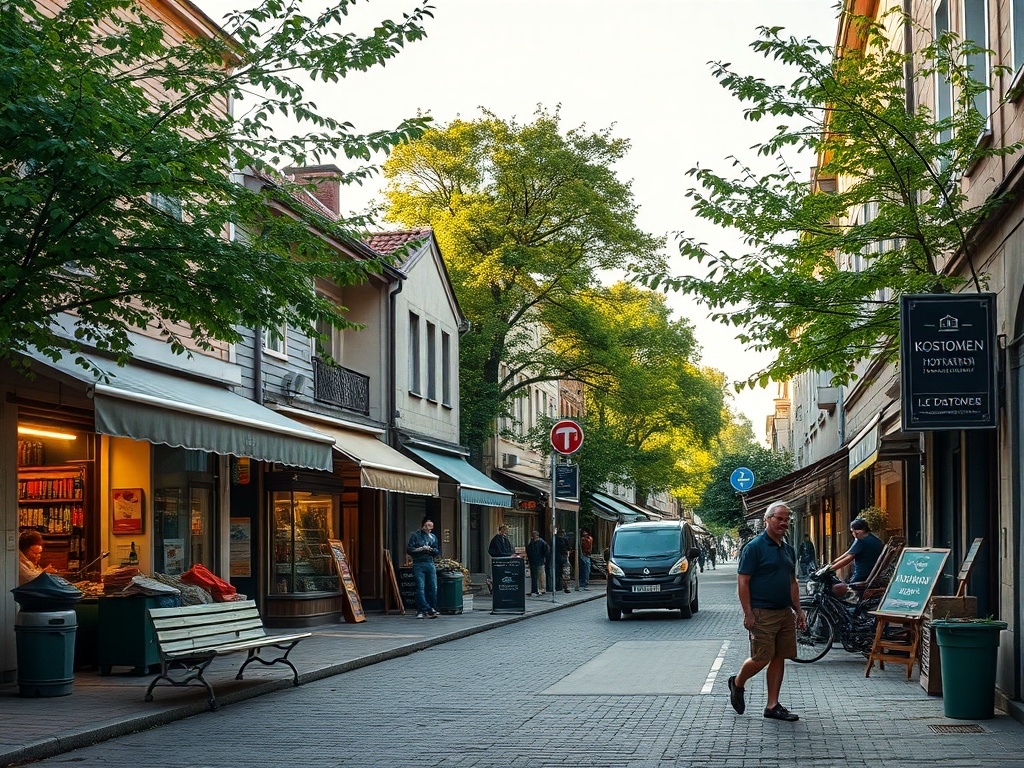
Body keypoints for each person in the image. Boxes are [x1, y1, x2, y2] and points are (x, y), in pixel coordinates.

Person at [728, 501, 806, 722]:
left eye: (786, 519)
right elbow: (743, 582)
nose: (783, 522)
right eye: (779, 518)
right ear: (767, 520)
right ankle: (737, 682)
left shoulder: (788, 549)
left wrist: (798, 610)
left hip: (784, 612)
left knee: (780, 656)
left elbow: (792, 582)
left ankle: (772, 706)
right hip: (762, 612)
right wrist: (748, 613)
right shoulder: (754, 547)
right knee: (761, 658)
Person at [827, 518, 884, 598]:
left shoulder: (861, 540)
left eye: (855, 531)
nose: (854, 534)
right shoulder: (875, 540)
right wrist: (833, 563)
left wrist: (831, 568)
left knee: (835, 589)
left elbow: (848, 558)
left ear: (863, 529)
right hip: (872, 575)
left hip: (861, 576)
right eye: (852, 531)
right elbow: (848, 553)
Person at [406, 517, 440, 619]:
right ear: (423, 525)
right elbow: (409, 549)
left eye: (431, 527)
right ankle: (425, 609)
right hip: (419, 563)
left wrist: (431, 550)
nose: (429, 529)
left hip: (430, 562)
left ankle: (431, 607)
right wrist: (420, 549)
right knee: (420, 587)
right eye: (427, 526)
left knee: (433, 587)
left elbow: (437, 551)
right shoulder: (415, 536)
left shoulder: (433, 537)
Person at [525, 531, 550, 596]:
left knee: (540, 575)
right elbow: (529, 550)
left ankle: (542, 589)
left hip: (539, 561)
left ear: (537, 536)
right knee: (534, 576)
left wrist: (544, 558)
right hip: (533, 561)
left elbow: (546, 551)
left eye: (534, 535)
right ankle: (534, 589)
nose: (533, 537)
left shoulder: (541, 542)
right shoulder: (532, 542)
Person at [554, 528, 572, 593]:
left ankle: (559, 586)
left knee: (559, 573)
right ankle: (565, 587)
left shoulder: (555, 540)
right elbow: (569, 548)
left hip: (556, 558)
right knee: (565, 573)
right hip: (563, 558)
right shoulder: (564, 540)